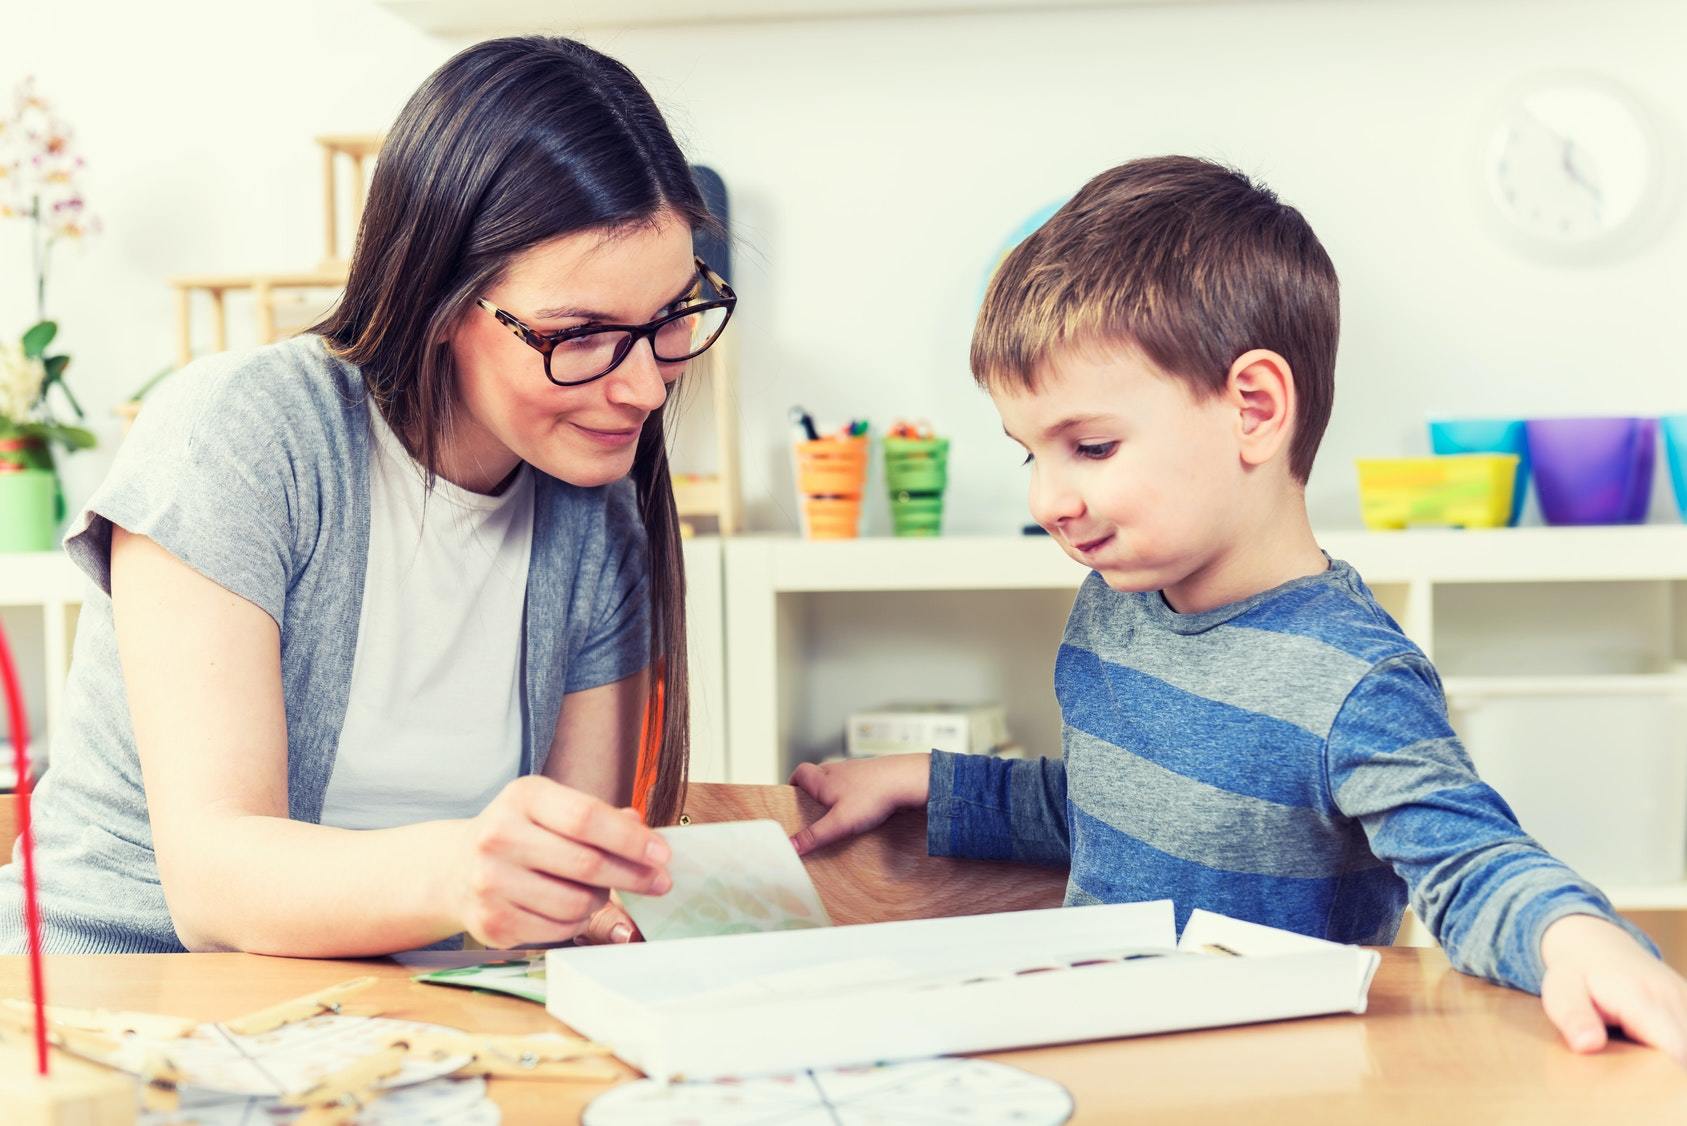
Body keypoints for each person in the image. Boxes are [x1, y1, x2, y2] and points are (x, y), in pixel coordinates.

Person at [790, 156, 1687, 1064]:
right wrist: (927, 782)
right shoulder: (1116, 609)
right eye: (1030, 454)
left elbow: (1465, 860)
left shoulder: (1352, 679)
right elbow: (1111, 810)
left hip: (1280, 1079)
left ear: (1253, 408)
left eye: (1090, 446)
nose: (1048, 499)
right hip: (1105, 1050)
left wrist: (1573, 935)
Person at [0, 36, 735, 956]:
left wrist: (584, 905)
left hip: (402, 1020)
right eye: (578, 333)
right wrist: (457, 875)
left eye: (671, 317)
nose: (645, 388)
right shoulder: (244, 435)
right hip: (125, 1000)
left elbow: (561, 891)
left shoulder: (597, 519)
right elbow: (215, 889)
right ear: (438, 300)